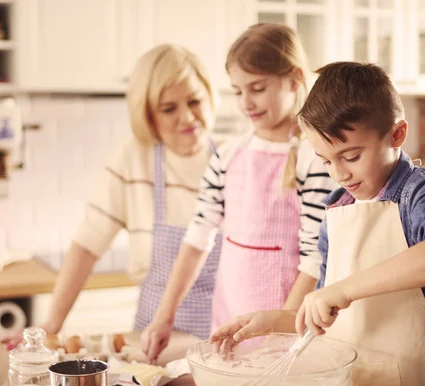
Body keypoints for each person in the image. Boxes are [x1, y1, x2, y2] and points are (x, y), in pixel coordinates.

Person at [210, 61, 425, 386]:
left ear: (396, 134)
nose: (338, 174)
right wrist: (275, 321)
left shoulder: (420, 191)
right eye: (326, 161)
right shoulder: (338, 209)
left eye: (351, 156)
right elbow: (327, 313)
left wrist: (344, 290)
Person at [1, 44, 223, 348]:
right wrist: (52, 324)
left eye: (195, 101)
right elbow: (87, 245)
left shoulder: (232, 157)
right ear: (148, 115)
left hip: (223, 333)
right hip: (154, 337)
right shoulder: (134, 158)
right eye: (169, 108)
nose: (187, 117)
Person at [141, 23, 337, 363]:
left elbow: (315, 261)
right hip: (229, 324)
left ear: (293, 79)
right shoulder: (228, 155)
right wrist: (164, 319)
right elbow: (196, 240)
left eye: (257, 88)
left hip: (289, 333)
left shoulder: (315, 158)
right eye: (237, 91)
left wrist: (281, 335)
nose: (246, 102)